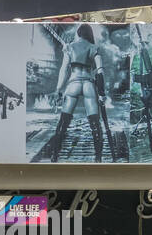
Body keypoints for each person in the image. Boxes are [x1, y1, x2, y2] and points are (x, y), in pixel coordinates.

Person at [42, 24, 108, 162]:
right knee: (95, 123)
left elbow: (63, 70)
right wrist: (102, 94)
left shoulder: (69, 47)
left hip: (73, 83)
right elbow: (100, 72)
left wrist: (58, 90)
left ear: (78, 33)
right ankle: (98, 158)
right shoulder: (94, 48)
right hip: (88, 84)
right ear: (89, 34)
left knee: (63, 122)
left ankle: (54, 156)